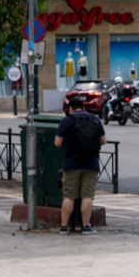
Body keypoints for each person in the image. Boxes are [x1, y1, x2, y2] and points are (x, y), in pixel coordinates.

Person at [54, 96, 106, 235]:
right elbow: (103, 141)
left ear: (70, 108)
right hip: (91, 163)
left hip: (72, 163)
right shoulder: (95, 119)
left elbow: (57, 143)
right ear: (83, 107)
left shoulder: (66, 120)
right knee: (87, 196)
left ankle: (64, 227)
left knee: (69, 196)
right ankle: (85, 227)